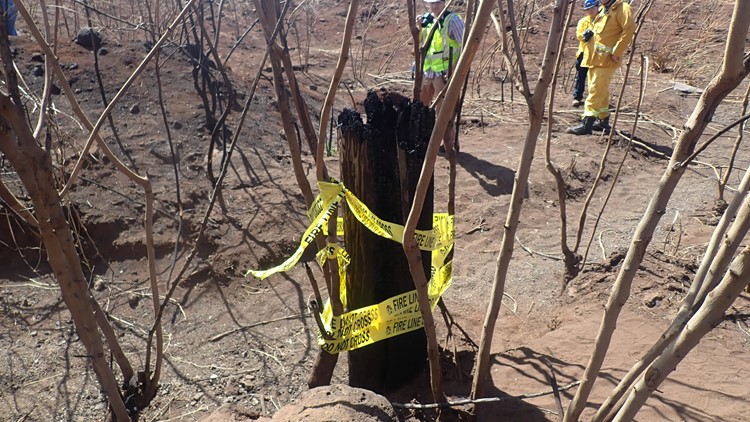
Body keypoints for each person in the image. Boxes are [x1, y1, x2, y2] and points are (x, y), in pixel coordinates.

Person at [567, 0, 635, 135]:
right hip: (593, 59)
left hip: (607, 59)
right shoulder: (603, 10)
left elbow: (629, 29)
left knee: (595, 90)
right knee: (600, 91)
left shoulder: (622, 8)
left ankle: (587, 123)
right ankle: (603, 122)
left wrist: (617, 51)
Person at [417, 0, 464, 152]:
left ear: (444, 3)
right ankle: (425, 140)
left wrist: (455, 72)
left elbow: (464, 45)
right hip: (427, 71)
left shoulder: (453, 20)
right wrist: (419, 28)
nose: (434, 6)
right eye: (431, 3)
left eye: (437, 3)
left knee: (443, 111)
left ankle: (448, 144)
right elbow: (422, 45)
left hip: (443, 73)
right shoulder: (426, 20)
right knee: (422, 107)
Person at [572, 0, 599, 107]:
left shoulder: (603, 20)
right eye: (588, 9)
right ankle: (577, 97)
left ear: (597, 7)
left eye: (592, 8)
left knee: (595, 77)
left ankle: (594, 99)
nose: (590, 11)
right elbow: (579, 35)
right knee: (581, 76)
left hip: (597, 53)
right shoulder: (583, 21)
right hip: (584, 53)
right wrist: (585, 35)